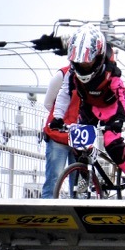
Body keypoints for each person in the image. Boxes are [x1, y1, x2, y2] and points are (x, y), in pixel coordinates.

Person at [50, 23, 125, 196]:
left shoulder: (110, 72)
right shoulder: (72, 72)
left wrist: (119, 119)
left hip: (111, 108)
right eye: (80, 62)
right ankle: (85, 171)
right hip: (89, 108)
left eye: (88, 62)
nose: (84, 66)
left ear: (98, 56)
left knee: (112, 143)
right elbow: (64, 93)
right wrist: (57, 117)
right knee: (79, 143)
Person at [40, 64, 78, 198]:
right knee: (54, 180)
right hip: (60, 134)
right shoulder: (62, 74)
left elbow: (48, 103)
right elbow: (48, 103)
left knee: (77, 182)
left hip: (77, 134)